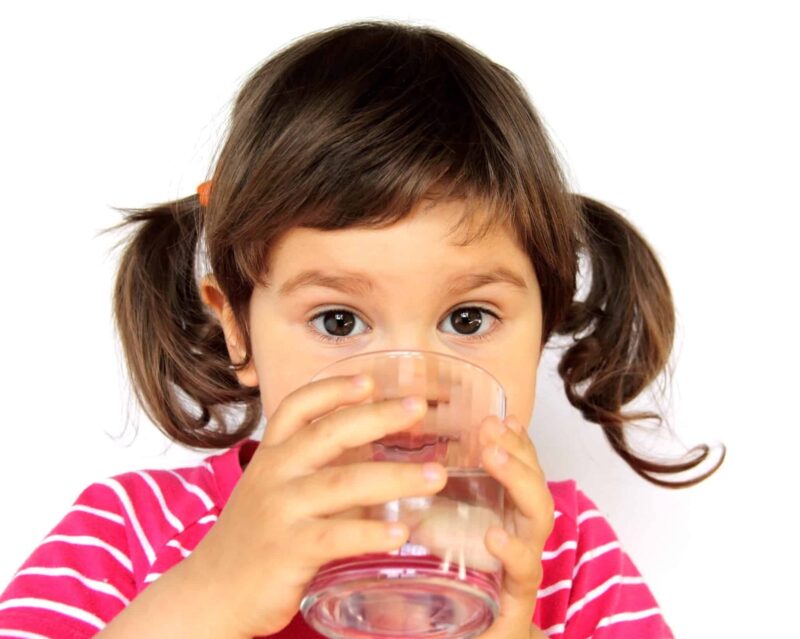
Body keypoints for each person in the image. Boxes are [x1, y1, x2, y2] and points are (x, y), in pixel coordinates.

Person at [0, 19, 723, 639]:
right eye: (338, 319)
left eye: (468, 318)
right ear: (238, 329)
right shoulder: (132, 528)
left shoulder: (566, 553)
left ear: (543, 326)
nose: (410, 382)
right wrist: (209, 593)